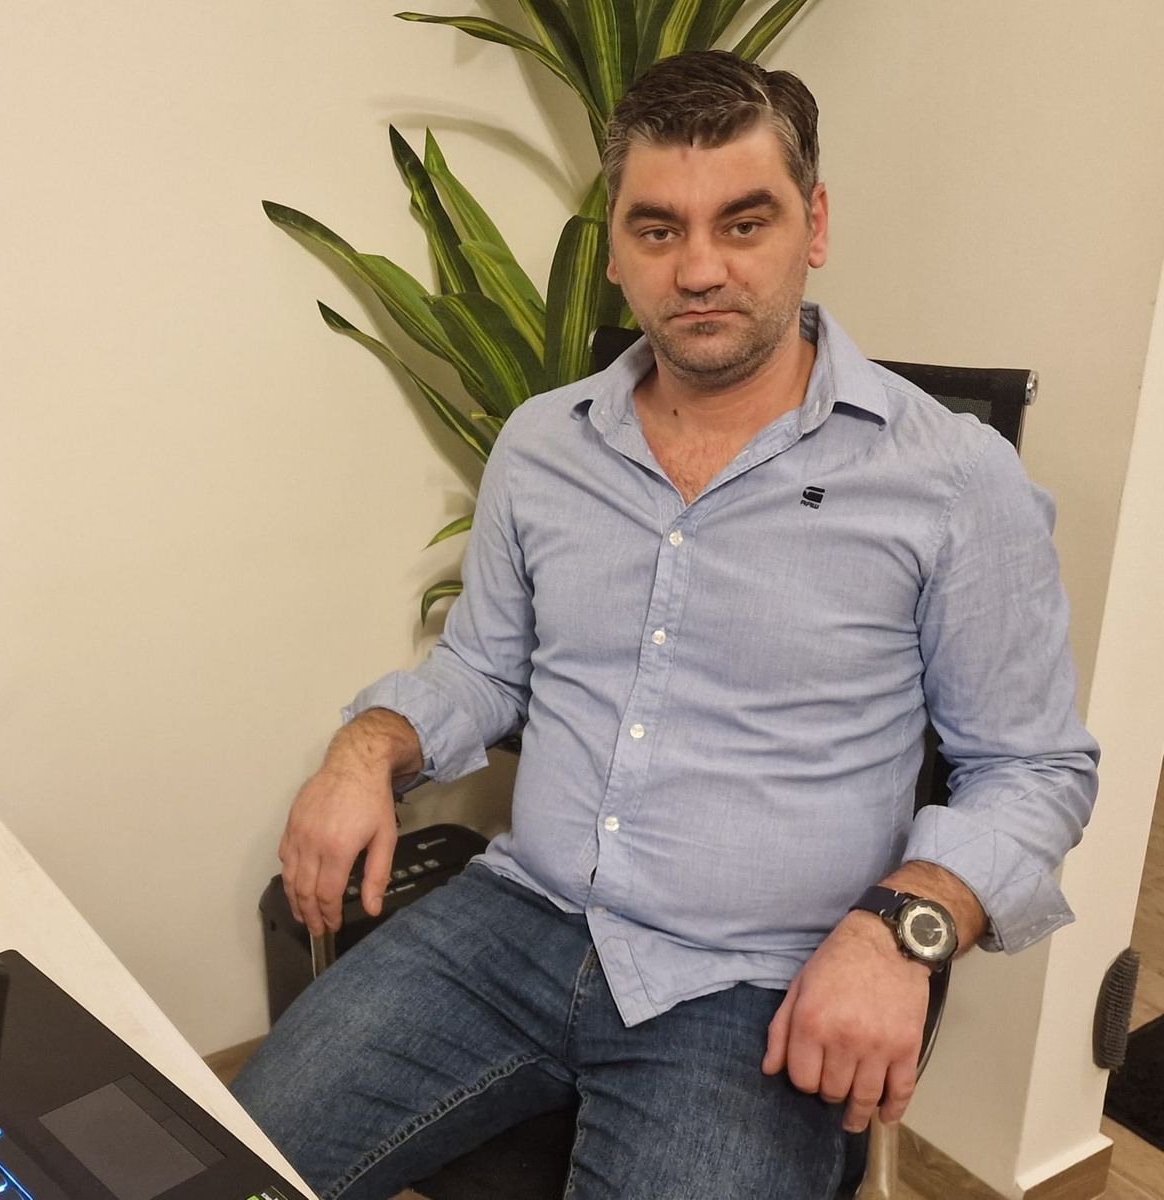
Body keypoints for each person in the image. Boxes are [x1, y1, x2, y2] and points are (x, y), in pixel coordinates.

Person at [232, 49, 1098, 1200]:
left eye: (744, 222)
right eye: (656, 228)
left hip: (755, 984)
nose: (697, 269)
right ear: (614, 249)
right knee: (212, 1167)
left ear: (813, 224)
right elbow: (483, 668)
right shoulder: (543, 445)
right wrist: (364, 748)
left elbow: (1032, 769)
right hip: (516, 920)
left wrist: (903, 928)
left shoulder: (949, 477)